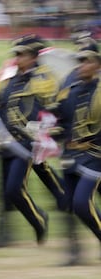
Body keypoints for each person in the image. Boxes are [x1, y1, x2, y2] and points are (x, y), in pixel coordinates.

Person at [0, 34, 56, 246]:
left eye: (22, 55)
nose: (17, 59)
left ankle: (38, 219)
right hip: (5, 144)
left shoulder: (42, 80)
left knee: (14, 189)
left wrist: (40, 131)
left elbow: (48, 109)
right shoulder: (9, 81)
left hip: (25, 145)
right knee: (4, 192)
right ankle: (4, 236)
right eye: (16, 55)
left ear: (33, 56)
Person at [54, 42, 101, 265]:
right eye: (79, 61)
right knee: (70, 205)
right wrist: (46, 130)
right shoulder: (69, 92)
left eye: (87, 60)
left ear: (97, 65)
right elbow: (62, 124)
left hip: (96, 156)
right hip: (70, 157)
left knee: (82, 203)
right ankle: (74, 253)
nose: (81, 65)